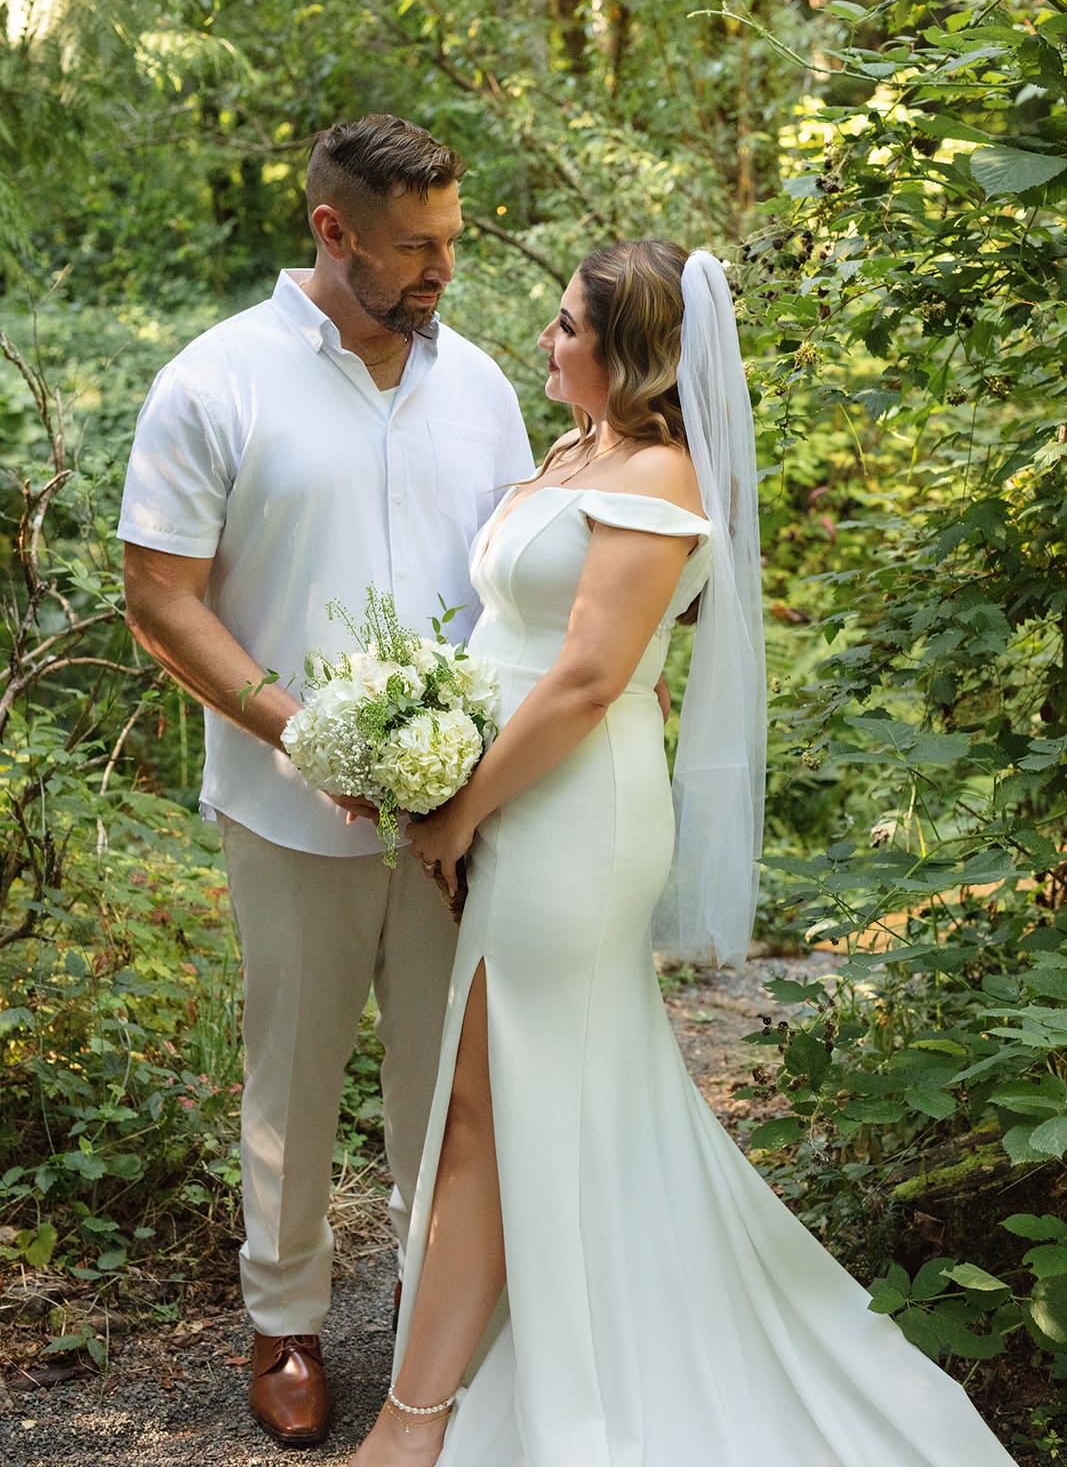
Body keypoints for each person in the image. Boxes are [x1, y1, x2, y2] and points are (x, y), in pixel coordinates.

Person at [346, 241, 1017, 1465]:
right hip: (508, 799)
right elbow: (510, 633)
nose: (543, 342)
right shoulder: (575, 451)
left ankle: (414, 1419)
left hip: (571, 817)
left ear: (628, 351)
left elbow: (594, 675)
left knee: (496, 1110)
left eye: (565, 327)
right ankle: (505, 1354)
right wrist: (410, 747)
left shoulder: (661, 473)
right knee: (523, 1099)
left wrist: (459, 808)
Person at [118, 113, 533, 1447]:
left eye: (450, 242)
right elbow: (158, 597)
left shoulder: (479, 386)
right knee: (291, 1079)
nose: (438, 270)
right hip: (283, 809)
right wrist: (296, 730)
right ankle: (284, 1321)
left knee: (441, 1072)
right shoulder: (211, 382)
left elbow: (519, 576)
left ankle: (429, 1308)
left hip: (454, 811)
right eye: (412, 246)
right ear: (330, 229)